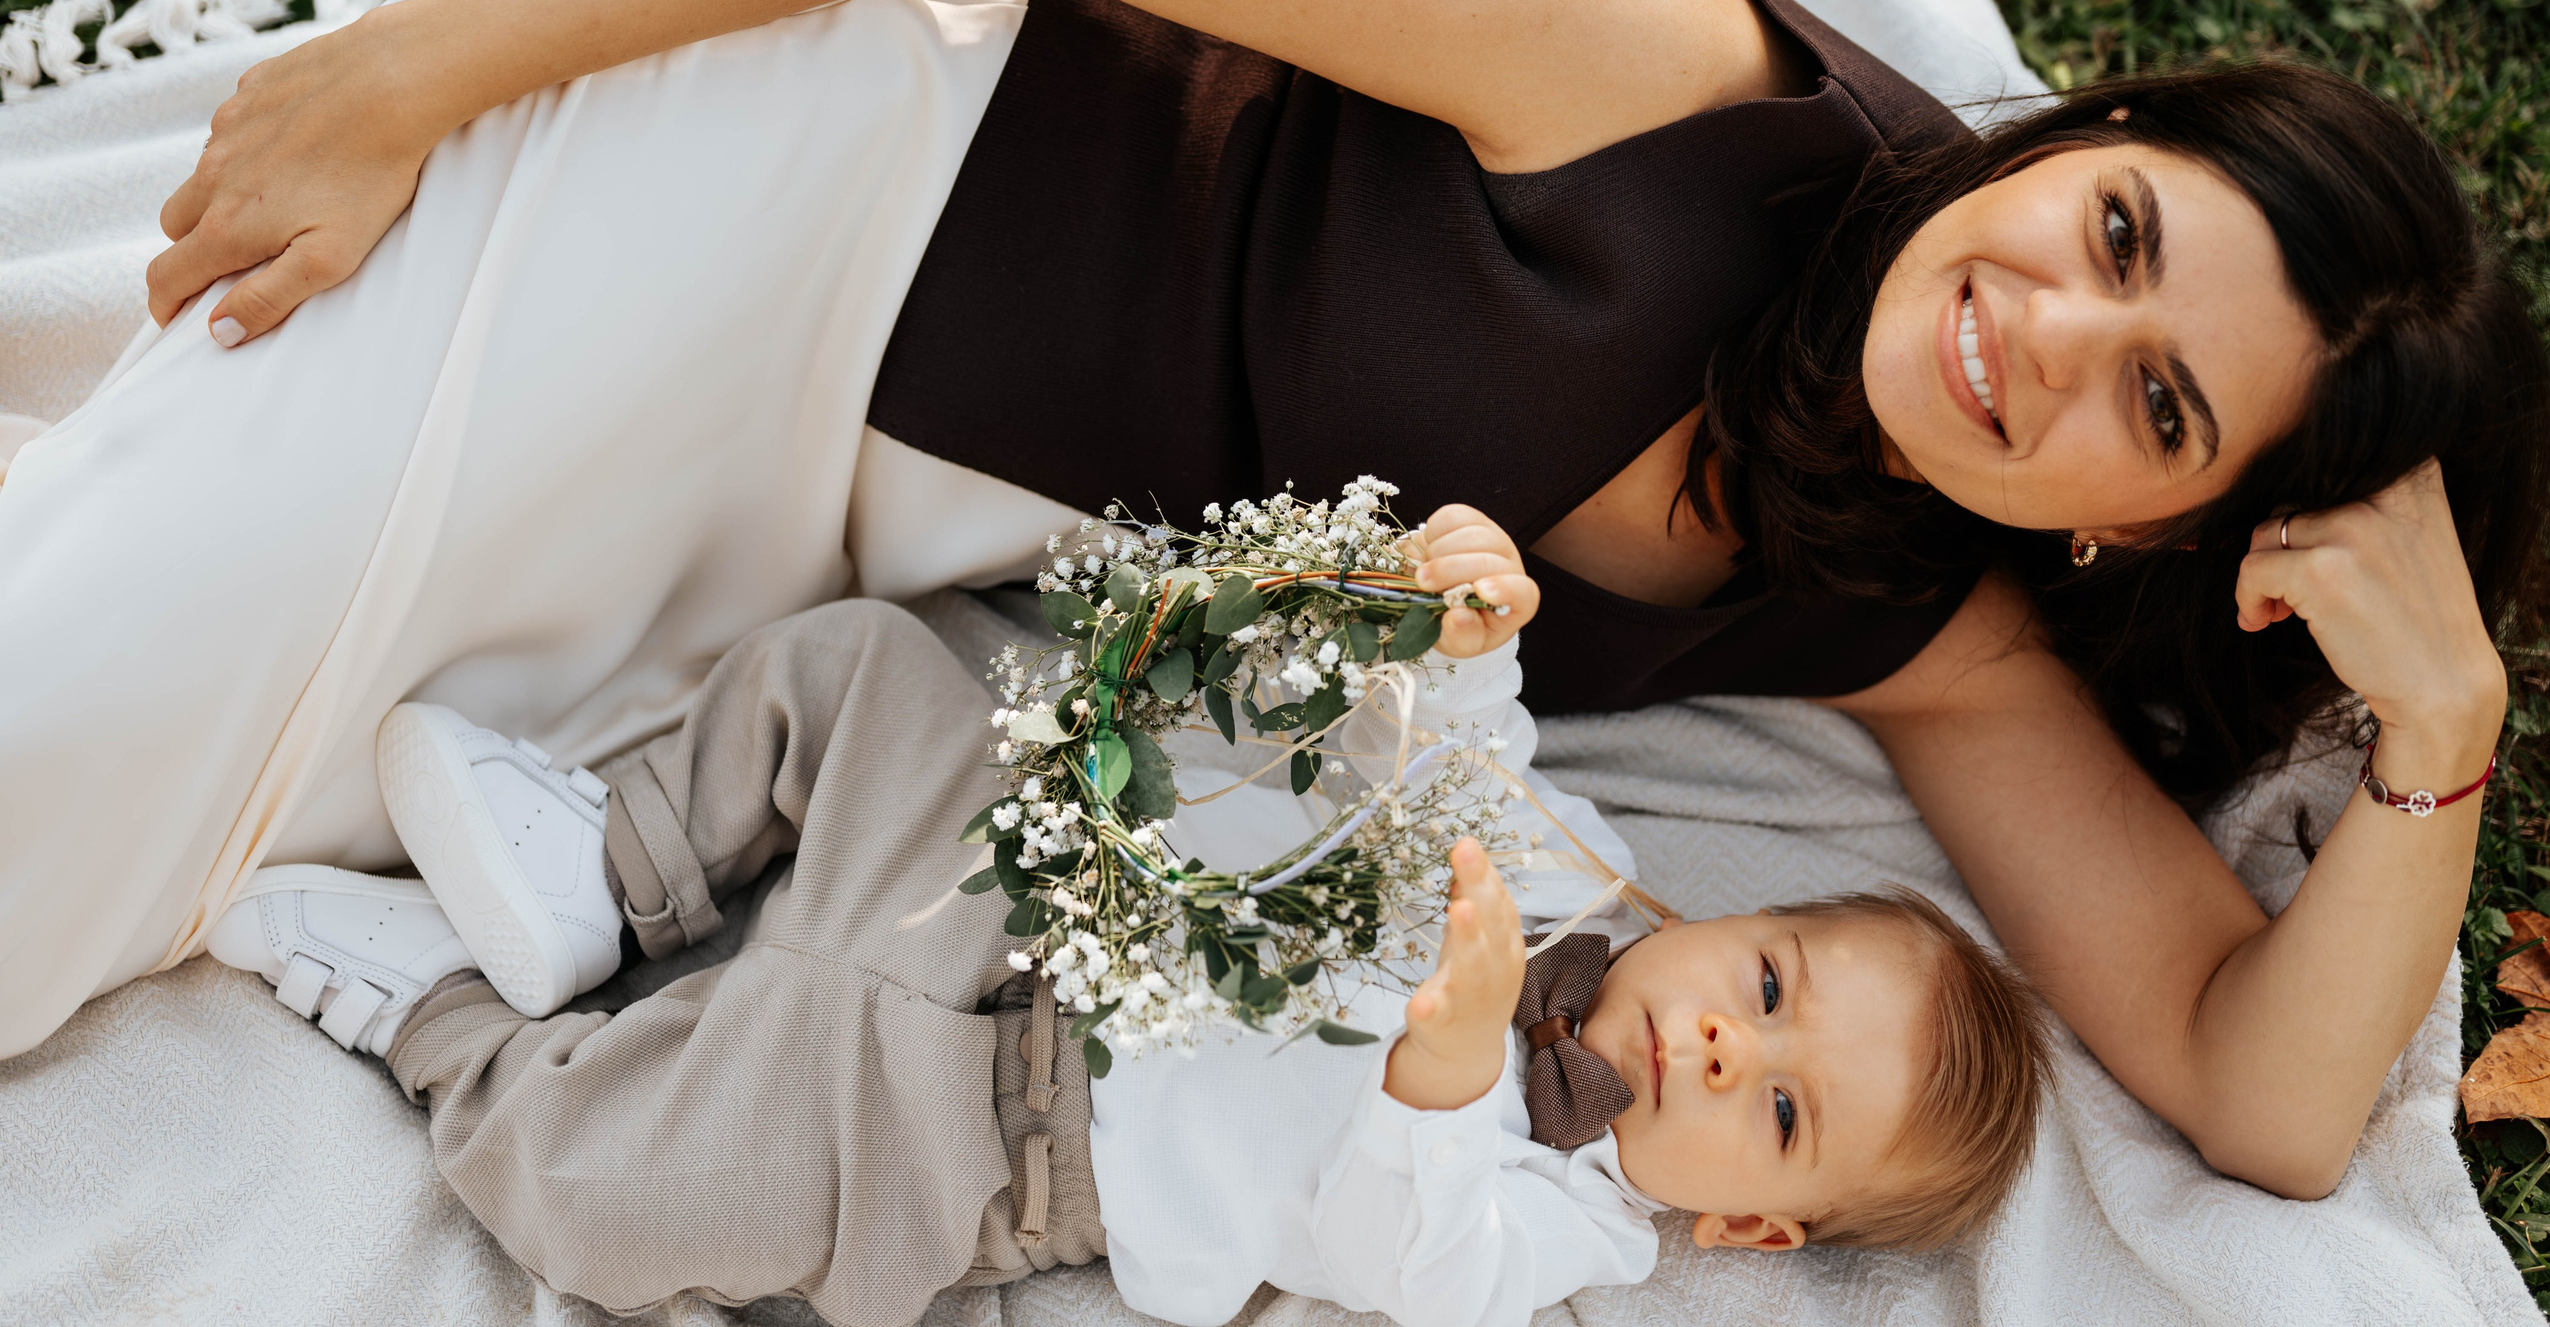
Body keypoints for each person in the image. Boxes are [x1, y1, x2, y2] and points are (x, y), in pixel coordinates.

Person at [0, 0, 2543, 1209]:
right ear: (2072, 141)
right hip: (792, 190)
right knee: (65, 746)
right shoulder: (1674, 83)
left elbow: (2263, 1101)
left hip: (810, 553)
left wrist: (2440, 728)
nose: (2044, 335)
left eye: (2160, 405)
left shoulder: (1923, 618)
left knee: (220, 848)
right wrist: (401, 77)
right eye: (2112, 231)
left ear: (2151, 531)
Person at [205, 511, 2052, 1327]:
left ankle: (445, 1009)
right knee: (879, 675)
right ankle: (604, 868)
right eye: (1773, 980)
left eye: (1783, 1102)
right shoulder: (1579, 872)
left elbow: (1392, 1238)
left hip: (1001, 1145)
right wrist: (1454, 621)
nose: (1730, 1037)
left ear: (1741, 1218)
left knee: (625, 1203)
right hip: (1050, 909)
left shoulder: (1558, 1231)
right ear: (1739, 926)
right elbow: (1451, 748)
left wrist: (1455, 1060)